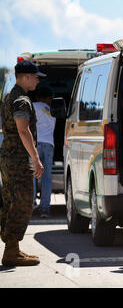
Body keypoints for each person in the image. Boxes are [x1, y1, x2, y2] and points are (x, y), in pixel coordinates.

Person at [0, 60, 45, 267]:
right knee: (22, 203)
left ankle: (13, 248)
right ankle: (11, 250)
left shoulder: (11, 95)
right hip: (18, 160)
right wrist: (36, 159)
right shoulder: (21, 100)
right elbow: (23, 130)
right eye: (35, 77)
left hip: (9, 157)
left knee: (11, 201)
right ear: (26, 77)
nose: (37, 80)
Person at [33, 87, 56, 218]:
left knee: (33, 175)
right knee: (47, 177)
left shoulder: (33, 106)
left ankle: (32, 203)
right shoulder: (52, 110)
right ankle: (45, 209)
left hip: (35, 144)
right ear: (48, 99)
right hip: (49, 144)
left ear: (37, 97)